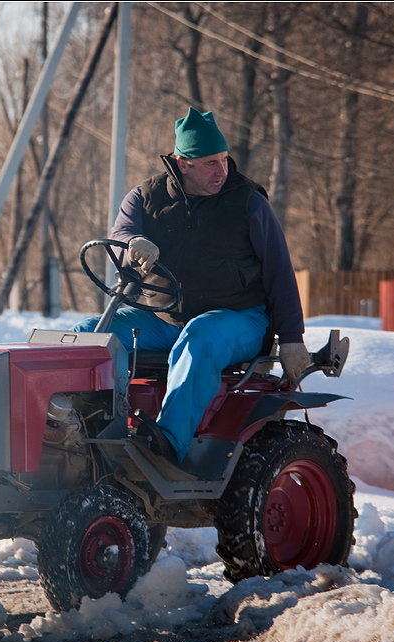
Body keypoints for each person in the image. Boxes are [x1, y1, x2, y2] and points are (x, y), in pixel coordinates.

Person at [72, 107, 310, 464]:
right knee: (88, 336)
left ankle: (164, 448)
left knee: (199, 337)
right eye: (211, 163)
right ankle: (91, 436)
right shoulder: (145, 197)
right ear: (183, 163)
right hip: (164, 317)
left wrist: (292, 338)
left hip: (238, 318)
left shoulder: (248, 202)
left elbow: (280, 271)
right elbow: (121, 235)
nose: (223, 171)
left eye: (225, 160)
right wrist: (134, 243)